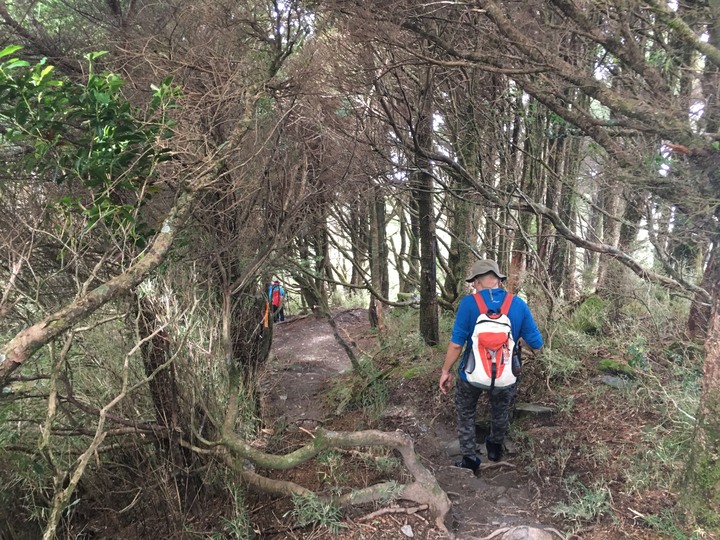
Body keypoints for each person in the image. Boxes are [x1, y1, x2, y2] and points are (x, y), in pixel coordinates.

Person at [439, 259, 543, 473]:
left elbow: (457, 344)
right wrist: (517, 340)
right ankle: (494, 449)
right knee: (501, 408)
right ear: (498, 280)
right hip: (506, 376)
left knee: (466, 412)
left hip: (472, 375)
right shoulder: (518, 304)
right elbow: (537, 343)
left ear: (477, 281)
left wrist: (445, 371)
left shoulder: (469, 304)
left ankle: (470, 458)